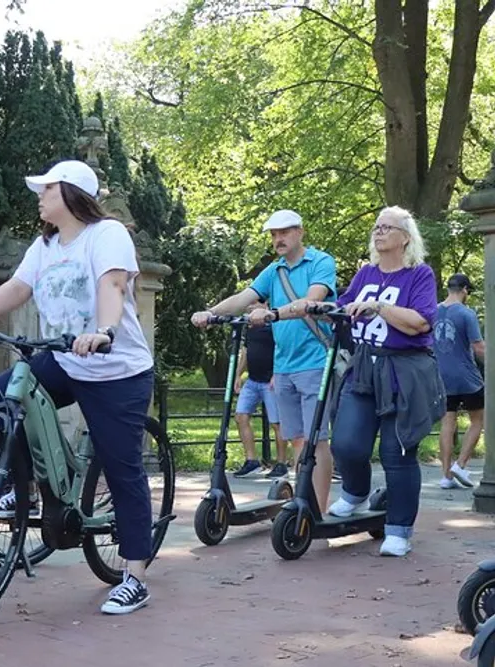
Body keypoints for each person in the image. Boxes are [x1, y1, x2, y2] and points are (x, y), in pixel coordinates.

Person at [0, 160, 156, 615]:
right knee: (3, 395)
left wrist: (103, 330)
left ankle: (135, 574)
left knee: (123, 470)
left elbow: (113, 284)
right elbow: (19, 288)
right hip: (65, 360)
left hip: (114, 368)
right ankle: (26, 486)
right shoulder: (44, 245)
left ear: (71, 193)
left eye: (47, 189)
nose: (39, 196)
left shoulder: (107, 235)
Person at [191, 210, 337, 512]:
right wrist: (211, 312)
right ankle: (303, 503)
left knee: (315, 440)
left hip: (315, 363)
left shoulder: (321, 262)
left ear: (300, 231)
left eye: (283, 232)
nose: (277, 239)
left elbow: (310, 302)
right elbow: (245, 297)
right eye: (273, 234)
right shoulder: (274, 270)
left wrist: (271, 314)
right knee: (297, 438)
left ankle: (318, 510)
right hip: (283, 366)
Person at [325, 206, 444, 557]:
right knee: (346, 442)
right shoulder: (366, 273)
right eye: (376, 227)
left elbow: (420, 322)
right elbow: (343, 305)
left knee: (398, 452)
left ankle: (398, 529)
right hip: (365, 368)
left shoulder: (419, 275)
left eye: (386, 227)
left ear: (405, 237)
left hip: (405, 371)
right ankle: (356, 492)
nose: (378, 233)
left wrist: (377, 306)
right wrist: (317, 308)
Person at [435, 273, 485, 489]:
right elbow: (478, 348)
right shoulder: (466, 314)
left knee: (447, 423)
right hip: (467, 377)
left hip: (441, 375)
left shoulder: (433, 311)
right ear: (464, 289)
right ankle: (461, 464)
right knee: (478, 421)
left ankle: (446, 476)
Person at [232, 306, 289, 479]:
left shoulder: (274, 324)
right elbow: (246, 352)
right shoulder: (250, 326)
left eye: (254, 304)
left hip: (270, 381)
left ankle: (281, 463)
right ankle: (251, 461)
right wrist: (238, 375)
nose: (250, 308)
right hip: (253, 380)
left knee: (277, 423)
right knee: (240, 417)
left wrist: (276, 373)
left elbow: (283, 349)